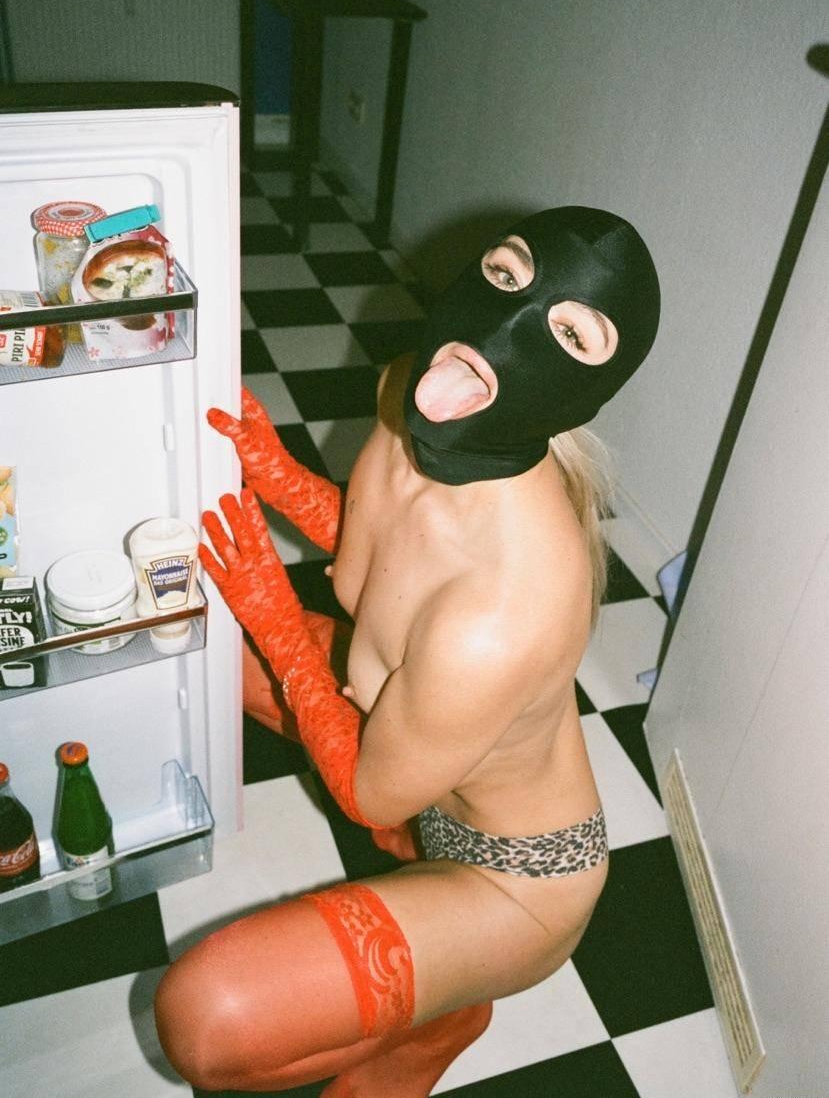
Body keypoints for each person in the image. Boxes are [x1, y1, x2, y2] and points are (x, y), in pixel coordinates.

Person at [153, 206, 660, 1096]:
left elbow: (366, 790)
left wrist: (274, 613)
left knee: (209, 1015)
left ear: (584, 393)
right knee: (192, 642)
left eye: (570, 332)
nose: (506, 322)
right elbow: (383, 547)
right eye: (505, 274)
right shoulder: (412, 392)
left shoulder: (504, 609)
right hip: (409, 751)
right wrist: (274, 470)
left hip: (509, 877)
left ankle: (439, 1016)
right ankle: (431, 987)